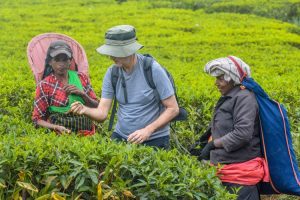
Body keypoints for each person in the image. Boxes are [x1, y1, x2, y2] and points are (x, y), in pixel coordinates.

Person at [70, 25, 179, 149]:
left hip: (154, 138)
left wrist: (147, 130)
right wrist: (85, 110)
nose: (111, 57)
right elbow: (102, 114)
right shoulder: (112, 73)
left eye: (115, 52)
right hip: (122, 136)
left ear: (129, 50)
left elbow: (173, 109)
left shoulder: (152, 69)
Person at [197, 56, 269, 199]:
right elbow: (225, 126)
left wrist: (213, 145)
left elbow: (242, 133)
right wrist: (204, 142)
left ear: (233, 79)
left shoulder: (244, 98)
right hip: (228, 170)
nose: (216, 83)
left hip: (241, 174)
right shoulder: (232, 95)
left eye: (220, 79)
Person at [32, 40, 99, 135]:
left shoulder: (81, 78)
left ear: (70, 61)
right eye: (57, 60)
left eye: (64, 59)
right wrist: (55, 127)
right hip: (59, 135)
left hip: (86, 133)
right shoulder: (45, 85)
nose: (61, 64)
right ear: (50, 62)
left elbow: (97, 107)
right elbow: (37, 119)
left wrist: (82, 94)